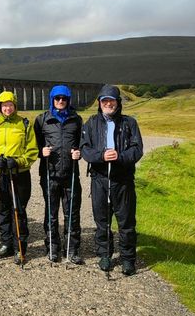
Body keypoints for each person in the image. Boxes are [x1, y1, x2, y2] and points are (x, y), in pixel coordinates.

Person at [80, 84, 143, 276]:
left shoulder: (129, 123)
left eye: (111, 100)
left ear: (118, 103)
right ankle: (105, 255)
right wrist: (101, 156)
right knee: (102, 220)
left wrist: (120, 156)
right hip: (99, 178)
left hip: (122, 179)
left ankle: (127, 259)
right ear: (99, 103)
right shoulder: (91, 123)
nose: (108, 104)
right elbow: (85, 149)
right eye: (104, 100)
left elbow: (137, 149)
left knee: (126, 222)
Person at [0, 91, 38, 264]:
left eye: (10, 104)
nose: (7, 108)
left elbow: (32, 150)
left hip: (18, 174)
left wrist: (18, 161)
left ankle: (20, 247)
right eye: (3, 105)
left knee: (18, 210)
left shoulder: (25, 124)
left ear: (15, 105)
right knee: (2, 209)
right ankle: (6, 244)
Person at [34, 85, 84, 264]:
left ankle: (72, 249)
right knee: (51, 213)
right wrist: (42, 152)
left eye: (64, 98)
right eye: (57, 98)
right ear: (52, 99)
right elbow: (35, 146)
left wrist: (79, 153)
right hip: (49, 173)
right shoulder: (41, 120)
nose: (60, 101)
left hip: (70, 174)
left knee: (72, 213)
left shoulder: (76, 120)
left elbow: (82, 144)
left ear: (68, 100)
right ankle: (52, 248)